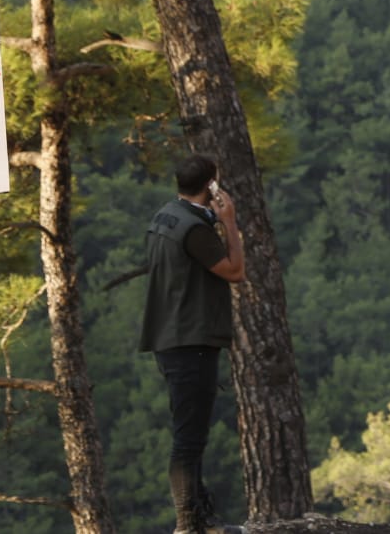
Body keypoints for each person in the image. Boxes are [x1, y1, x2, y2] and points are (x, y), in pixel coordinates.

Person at [141, 153, 245, 534]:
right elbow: (235, 271)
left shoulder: (166, 215)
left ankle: (202, 518)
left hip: (169, 337)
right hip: (191, 340)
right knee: (189, 438)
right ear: (210, 186)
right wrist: (229, 222)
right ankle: (187, 524)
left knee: (191, 433)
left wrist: (213, 217)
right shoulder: (195, 230)